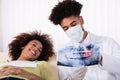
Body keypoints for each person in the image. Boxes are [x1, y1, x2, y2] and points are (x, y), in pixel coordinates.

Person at [49, 0, 120, 80]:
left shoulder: (107, 43)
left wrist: (100, 58)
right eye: (66, 28)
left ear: (81, 20)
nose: (71, 30)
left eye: (73, 24)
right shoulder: (64, 54)